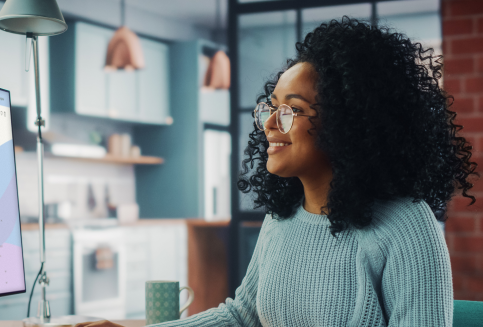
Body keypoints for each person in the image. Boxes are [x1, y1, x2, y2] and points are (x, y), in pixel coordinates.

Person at [75, 16, 478, 327]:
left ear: (349, 123)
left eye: (293, 110)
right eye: (271, 106)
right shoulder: (282, 217)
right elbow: (242, 316)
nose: (269, 123)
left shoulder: (406, 227)